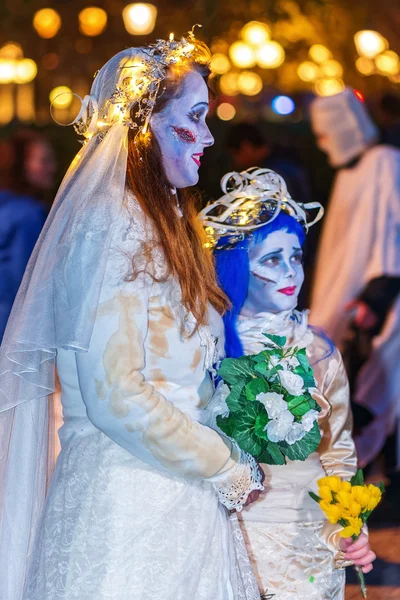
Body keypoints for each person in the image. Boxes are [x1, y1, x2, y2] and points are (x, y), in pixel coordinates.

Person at [0, 32, 263, 600]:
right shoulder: (110, 222)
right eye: (194, 116)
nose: (210, 135)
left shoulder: (155, 219)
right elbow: (114, 393)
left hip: (178, 500)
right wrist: (225, 464)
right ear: (145, 127)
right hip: (125, 512)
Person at [199, 167, 376, 599]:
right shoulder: (206, 346)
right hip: (232, 534)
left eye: (295, 256)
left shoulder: (318, 351)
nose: (290, 272)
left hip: (308, 539)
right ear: (237, 266)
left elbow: (338, 449)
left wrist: (352, 525)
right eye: (272, 259)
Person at [309, 88, 400, 470]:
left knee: (378, 385)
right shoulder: (350, 173)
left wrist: (375, 298)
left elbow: (391, 236)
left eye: (326, 134)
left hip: (383, 301)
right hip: (353, 303)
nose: (322, 143)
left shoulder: (384, 162)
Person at [0, 131, 56, 340]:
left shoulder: (7, 205)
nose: (52, 167)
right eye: (44, 161)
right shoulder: (27, 215)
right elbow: (28, 281)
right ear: (20, 166)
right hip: (11, 330)